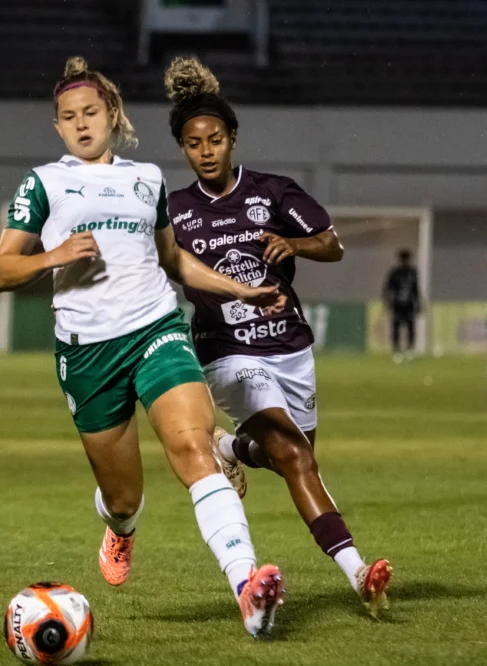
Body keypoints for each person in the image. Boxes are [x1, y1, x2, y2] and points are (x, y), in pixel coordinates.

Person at [0, 57, 286, 637]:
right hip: (87, 354)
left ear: (112, 114)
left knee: (190, 446)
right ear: (57, 128)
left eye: (91, 113)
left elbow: (173, 261)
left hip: (155, 328)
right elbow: (2, 270)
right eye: (69, 117)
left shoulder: (146, 179)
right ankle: (121, 530)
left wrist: (241, 289)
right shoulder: (44, 183)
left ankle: (247, 587)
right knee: (124, 497)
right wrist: (55, 255)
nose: (81, 124)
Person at [163, 56, 392, 616]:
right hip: (226, 353)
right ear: (185, 150)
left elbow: (332, 243)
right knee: (292, 451)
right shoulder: (174, 212)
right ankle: (358, 572)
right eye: (195, 144)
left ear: (233, 138)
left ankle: (230, 446)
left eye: (216, 138)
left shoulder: (274, 192)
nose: (207, 150)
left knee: (296, 458)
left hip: (290, 346)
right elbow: (166, 269)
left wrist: (296, 245)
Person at [383, 248, 421, 363]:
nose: (405, 261)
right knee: (396, 328)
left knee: (411, 327)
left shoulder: (413, 272)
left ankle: (410, 350)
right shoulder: (395, 272)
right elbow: (387, 289)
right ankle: (397, 351)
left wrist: (418, 303)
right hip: (397, 305)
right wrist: (388, 302)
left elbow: (416, 289)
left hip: (409, 305)